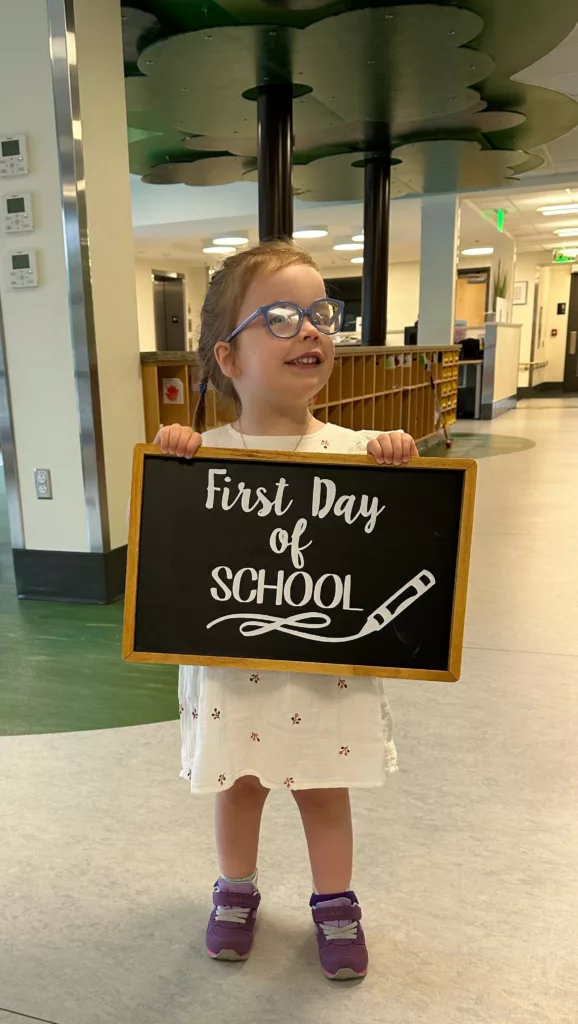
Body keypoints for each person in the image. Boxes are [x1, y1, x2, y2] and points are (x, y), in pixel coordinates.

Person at [153, 241, 419, 981]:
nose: (310, 330)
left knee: (323, 789)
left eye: (320, 314)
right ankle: (234, 891)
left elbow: (395, 523)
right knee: (239, 783)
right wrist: (175, 451)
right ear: (228, 359)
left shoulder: (355, 449)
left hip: (324, 667)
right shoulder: (205, 454)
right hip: (236, 668)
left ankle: (335, 902)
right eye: (278, 317)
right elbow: (177, 536)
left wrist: (395, 451)